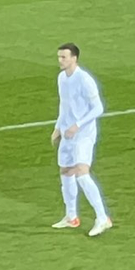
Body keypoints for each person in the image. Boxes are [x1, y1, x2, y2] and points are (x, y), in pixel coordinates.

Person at [51, 42, 111, 236]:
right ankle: (71, 217)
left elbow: (98, 108)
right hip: (68, 133)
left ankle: (103, 218)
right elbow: (64, 105)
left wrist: (78, 125)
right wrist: (58, 127)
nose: (60, 60)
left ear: (74, 58)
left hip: (83, 134)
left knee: (82, 173)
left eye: (64, 57)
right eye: (59, 57)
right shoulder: (62, 78)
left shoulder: (84, 79)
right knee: (66, 171)